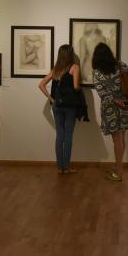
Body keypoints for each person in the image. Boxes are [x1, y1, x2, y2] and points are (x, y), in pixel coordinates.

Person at [93, 43, 128, 182]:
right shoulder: (121, 65)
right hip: (126, 106)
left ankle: (118, 173)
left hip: (111, 110)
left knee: (117, 141)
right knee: (122, 139)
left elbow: (103, 93)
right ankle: (118, 166)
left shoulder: (98, 72)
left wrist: (116, 100)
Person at [39, 44, 81, 174]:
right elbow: (75, 87)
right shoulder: (74, 67)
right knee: (68, 135)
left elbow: (41, 84)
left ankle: (60, 167)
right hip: (69, 106)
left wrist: (52, 99)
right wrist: (80, 88)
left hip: (57, 106)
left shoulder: (56, 70)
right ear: (70, 55)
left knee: (60, 135)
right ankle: (67, 167)